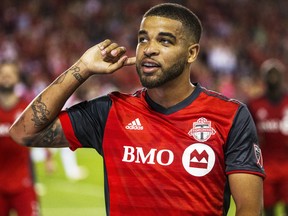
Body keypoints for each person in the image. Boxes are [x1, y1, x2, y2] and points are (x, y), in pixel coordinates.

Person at [9, 3, 265, 215]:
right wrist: (82, 68)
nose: (149, 49)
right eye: (143, 39)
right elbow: (24, 132)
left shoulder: (230, 116)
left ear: (191, 53)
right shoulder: (111, 111)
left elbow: (250, 209)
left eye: (165, 41)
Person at [248, 59, 288, 216]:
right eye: (269, 73)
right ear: (263, 77)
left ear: (282, 75)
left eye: (275, 73)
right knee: (268, 209)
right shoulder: (254, 104)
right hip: (266, 166)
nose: (273, 77)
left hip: (287, 164)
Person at [0, 62, 40, 216]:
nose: (6, 77)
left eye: (10, 73)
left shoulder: (26, 109)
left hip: (23, 184)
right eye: (3, 74)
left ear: (17, 79)